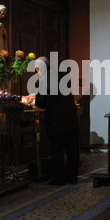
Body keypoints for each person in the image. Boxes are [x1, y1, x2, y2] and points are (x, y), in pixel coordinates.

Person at [34, 56, 80, 186]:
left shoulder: (42, 80)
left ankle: (60, 179)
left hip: (56, 121)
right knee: (72, 150)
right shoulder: (63, 75)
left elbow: (40, 103)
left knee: (57, 150)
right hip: (71, 118)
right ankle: (73, 177)